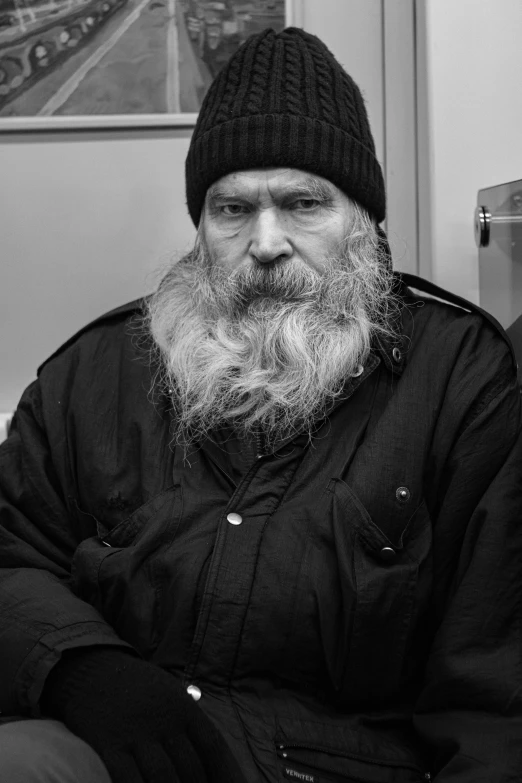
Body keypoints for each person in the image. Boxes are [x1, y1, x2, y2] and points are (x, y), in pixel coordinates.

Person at [1, 26, 521, 783]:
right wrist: (82, 670)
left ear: (366, 223)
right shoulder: (95, 371)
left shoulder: (461, 380)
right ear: (201, 227)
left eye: (304, 202)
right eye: (232, 209)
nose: (266, 240)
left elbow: (493, 689)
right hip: (116, 751)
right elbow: (13, 553)